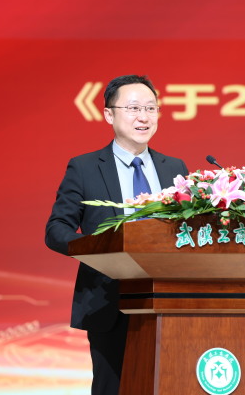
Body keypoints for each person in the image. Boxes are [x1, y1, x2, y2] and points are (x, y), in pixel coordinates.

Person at [45, 75, 188, 395]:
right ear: (109, 115)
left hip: (168, 299)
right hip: (109, 300)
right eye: (134, 108)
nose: (144, 117)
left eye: (151, 108)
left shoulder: (174, 168)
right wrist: (99, 248)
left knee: (168, 385)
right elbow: (56, 230)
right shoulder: (84, 168)